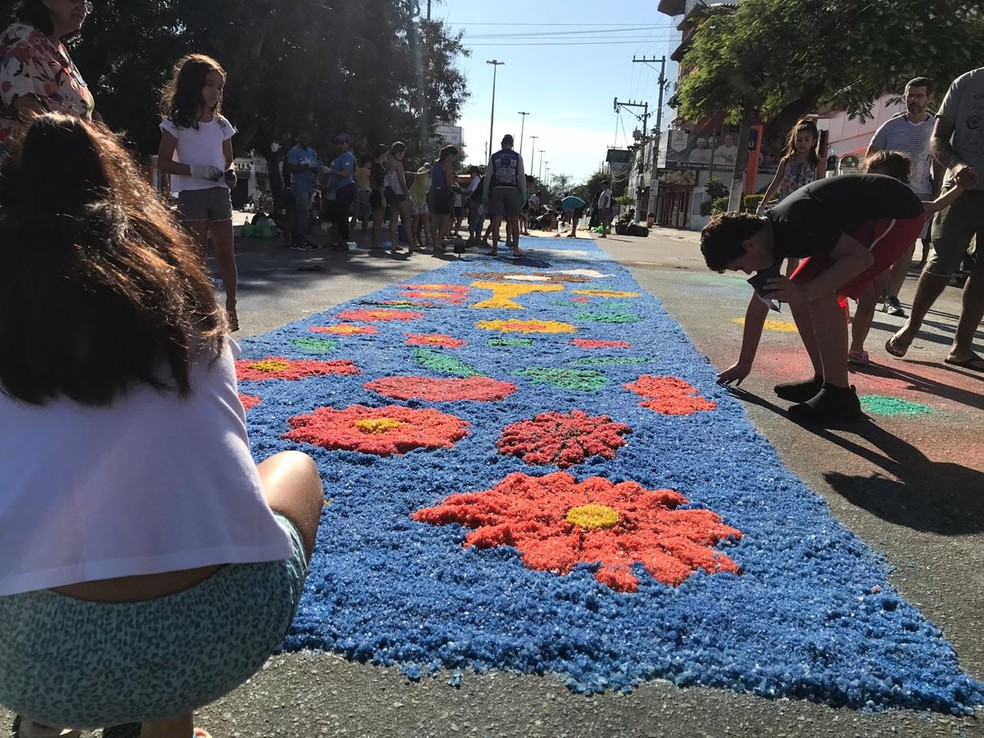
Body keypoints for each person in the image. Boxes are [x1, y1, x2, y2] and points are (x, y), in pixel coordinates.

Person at [0, 113, 323, 738]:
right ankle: (164, 725)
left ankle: (46, 718)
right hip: (213, 638)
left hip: (28, 659)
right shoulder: (183, 300)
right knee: (294, 469)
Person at [703, 174, 929, 423]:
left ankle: (838, 395)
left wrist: (806, 292)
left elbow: (860, 258)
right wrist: (744, 364)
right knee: (801, 290)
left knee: (819, 293)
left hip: (897, 214)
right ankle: (824, 379)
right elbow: (759, 303)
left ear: (749, 247)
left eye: (741, 267)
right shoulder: (767, 237)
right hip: (864, 220)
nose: (747, 272)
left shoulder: (796, 221)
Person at [886, 67, 984, 373]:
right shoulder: (967, 83)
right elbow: (938, 139)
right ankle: (911, 327)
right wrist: (957, 166)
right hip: (960, 191)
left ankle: (961, 347)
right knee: (941, 262)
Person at [843, 151, 963, 365]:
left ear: (897, 182)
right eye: (870, 174)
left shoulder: (903, 203)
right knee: (860, 300)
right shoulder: (861, 198)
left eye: (879, 177)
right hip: (857, 257)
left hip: (879, 263)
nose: (872, 181)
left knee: (869, 305)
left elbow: (935, 205)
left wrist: (960, 186)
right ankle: (851, 342)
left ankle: (856, 346)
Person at [157, 54, 240, 331]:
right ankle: (201, 311)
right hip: (192, 194)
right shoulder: (175, 123)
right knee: (197, 258)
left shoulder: (222, 124)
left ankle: (231, 308)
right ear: (193, 85)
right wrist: (196, 170)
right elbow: (164, 162)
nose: (215, 92)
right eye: (209, 85)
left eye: (219, 87)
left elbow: (228, 159)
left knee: (226, 254)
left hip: (219, 193)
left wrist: (230, 172)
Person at [866, 77, 936, 317]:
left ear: (929, 98)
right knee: (881, 244)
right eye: (910, 95)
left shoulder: (936, 129)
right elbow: (871, 158)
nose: (914, 100)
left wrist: (937, 198)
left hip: (919, 194)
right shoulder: (890, 127)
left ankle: (891, 297)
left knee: (907, 247)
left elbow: (939, 165)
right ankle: (874, 290)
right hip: (888, 195)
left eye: (919, 96)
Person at [0, 0, 95, 158]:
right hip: (26, 160)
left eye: (86, 3)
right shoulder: (20, 38)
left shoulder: (57, 47)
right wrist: (63, 149)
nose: (82, 7)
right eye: (76, 0)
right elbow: (24, 106)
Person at [482, 133, 527, 257]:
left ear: (502, 143)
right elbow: (521, 176)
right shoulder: (517, 157)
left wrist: (485, 193)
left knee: (496, 221)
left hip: (498, 189)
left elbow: (488, 177)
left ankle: (495, 249)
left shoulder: (494, 157)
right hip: (513, 189)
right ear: (512, 144)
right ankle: (516, 249)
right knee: (514, 221)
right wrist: (523, 193)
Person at [285, 132, 322, 251]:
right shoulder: (294, 151)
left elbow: (315, 168)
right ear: (299, 139)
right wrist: (307, 166)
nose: (306, 140)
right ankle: (300, 241)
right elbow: (291, 168)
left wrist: (317, 168)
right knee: (302, 213)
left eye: (308, 138)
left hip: (309, 185)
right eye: (304, 138)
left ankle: (302, 240)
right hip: (299, 186)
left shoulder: (312, 152)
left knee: (306, 214)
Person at [384, 141, 417, 252]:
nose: (403, 155)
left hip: (390, 193)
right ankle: (411, 244)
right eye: (403, 153)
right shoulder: (398, 164)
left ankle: (394, 244)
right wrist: (407, 195)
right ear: (398, 153)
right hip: (399, 193)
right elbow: (402, 181)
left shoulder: (388, 163)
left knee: (393, 219)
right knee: (407, 219)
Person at [327, 133, 357, 251]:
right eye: (337, 143)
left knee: (343, 214)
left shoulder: (348, 156)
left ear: (348, 144)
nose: (339, 145)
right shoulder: (338, 158)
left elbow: (345, 173)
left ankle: (344, 240)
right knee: (337, 215)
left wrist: (330, 171)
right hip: (337, 189)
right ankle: (338, 239)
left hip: (346, 187)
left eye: (342, 143)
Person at [428, 145, 458, 254]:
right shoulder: (448, 164)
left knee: (434, 220)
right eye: (454, 157)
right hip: (443, 193)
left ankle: (434, 242)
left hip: (433, 192)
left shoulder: (436, 163)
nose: (454, 159)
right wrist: (454, 179)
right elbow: (449, 182)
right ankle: (439, 241)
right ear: (450, 155)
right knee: (445, 219)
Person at [368, 143, 390, 250]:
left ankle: (375, 241)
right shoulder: (379, 167)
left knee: (377, 220)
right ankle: (375, 242)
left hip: (374, 193)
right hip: (379, 194)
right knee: (378, 219)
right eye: (386, 154)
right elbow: (380, 185)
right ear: (382, 154)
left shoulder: (374, 166)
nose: (387, 157)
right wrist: (383, 198)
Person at [408, 161, 431, 250]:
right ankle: (415, 240)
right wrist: (427, 171)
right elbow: (417, 176)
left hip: (422, 199)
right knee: (416, 218)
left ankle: (428, 239)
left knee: (426, 218)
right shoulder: (423, 169)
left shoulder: (431, 177)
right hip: (414, 197)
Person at [353, 155, 372, 238]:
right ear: (367, 163)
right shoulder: (368, 172)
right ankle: (364, 234)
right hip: (366, 193)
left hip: (358, 192)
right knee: (366, 215)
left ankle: (350, 231)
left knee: (355, 214)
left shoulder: (357, 171)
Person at [466, 165, 484, 245]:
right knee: (479, 220)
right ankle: (477, 238)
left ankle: (473, 237)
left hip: (476, 202)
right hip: (479, 202)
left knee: (474, 220)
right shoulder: (478, 179)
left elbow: (472, 191)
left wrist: (465, 193)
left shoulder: (476, 180)